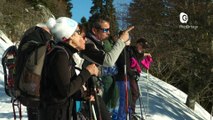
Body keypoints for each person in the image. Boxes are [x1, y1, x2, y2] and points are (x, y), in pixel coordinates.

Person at [39, 17, 99, 120]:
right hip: (53, 113)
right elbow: (66, 91)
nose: (84, 39)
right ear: (70, 36)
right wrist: (88, 72)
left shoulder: (66, 54)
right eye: (81, 35)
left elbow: (69, 87)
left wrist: (84, 96)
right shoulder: (60, 55)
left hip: (60, 112)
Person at [80, 13, 134, 120]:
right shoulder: (88, 44)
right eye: (105, 30)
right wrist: (121, 41)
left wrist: (101, 71)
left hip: (94, 89)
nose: (108, 33)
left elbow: (101, 67)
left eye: (109, 29)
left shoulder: (98, 43)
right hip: (84, 91)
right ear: (95, 30)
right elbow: (108, 60)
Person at [129, 37, 151, 119]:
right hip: (129, 75)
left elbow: (139, 57)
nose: (143, 49)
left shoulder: (138, 52)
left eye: (144, 48)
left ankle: (131, 111)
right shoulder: (131, 50)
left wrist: (146, 56)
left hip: (134, 75)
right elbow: (134, 58)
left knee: (135, 94)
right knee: (135, 93)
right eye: (142, 47)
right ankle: (130, 111)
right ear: (138, 44)